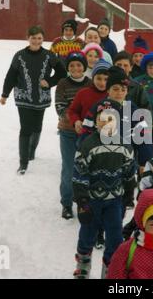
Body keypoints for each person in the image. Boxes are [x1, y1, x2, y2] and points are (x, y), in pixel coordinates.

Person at [72, 99, 137, 279]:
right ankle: (83, 265)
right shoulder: (88, 144)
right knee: (87, 233)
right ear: (96, 121)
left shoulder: (125, 146)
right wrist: (82, 200)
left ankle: (111, 269)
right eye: (102, 118)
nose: (106, 122)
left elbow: (129, 172)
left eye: (111, 119)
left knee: (115, 235)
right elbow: (79, 172)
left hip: (114, 200)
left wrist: (129, 194)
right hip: (92, 199)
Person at [0, 25, 67, 174]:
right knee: (25, 128)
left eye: (39, 38)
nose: (36, 41)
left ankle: (31, 152)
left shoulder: (50, 55)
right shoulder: (19, 55)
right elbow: (10, 75)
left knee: (37, 127)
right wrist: (5, 94)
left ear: (43, 39)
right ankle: (23, 163)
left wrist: (49, 82)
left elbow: (62, 73)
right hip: (23, 97)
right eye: (33, 38)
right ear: (27, 38)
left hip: (41, 98)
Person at [55, 51, 90, 219]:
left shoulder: (90, 83)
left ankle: (84, 203)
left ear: (84, 67)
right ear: (68, 67)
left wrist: (85, 123)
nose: (75, 68)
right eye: (71, 65)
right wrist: (74, 121)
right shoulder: (63, 83)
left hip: (87, 134)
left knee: (86, 169)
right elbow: (60, 107)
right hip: (68, 132)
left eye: (78, 65)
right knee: (69, 168)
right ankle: (67, 203)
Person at [67, 59, 111, 138]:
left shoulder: (114, 94)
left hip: (108, 136)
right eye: (99, 78)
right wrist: (76, 121)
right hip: (86, 136)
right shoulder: (83, 93)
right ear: (93, 78)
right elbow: (72, 111)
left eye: (106, 79)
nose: (102, 83)